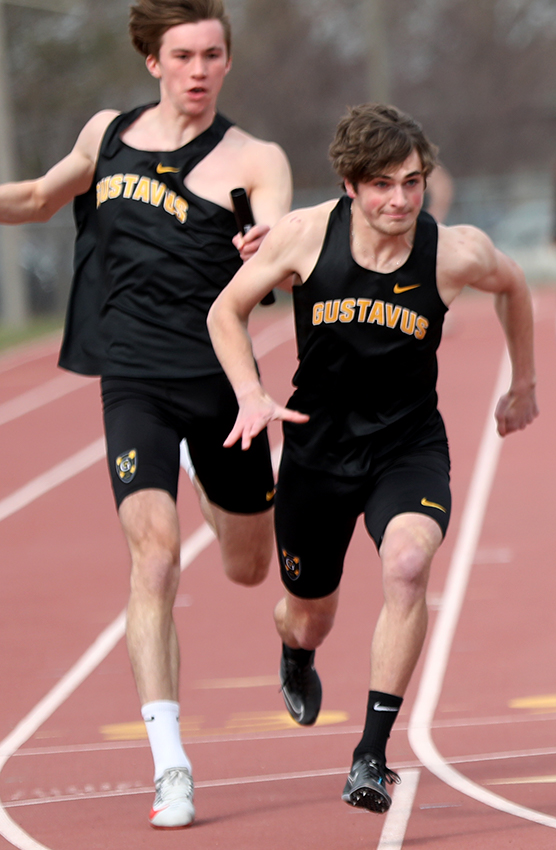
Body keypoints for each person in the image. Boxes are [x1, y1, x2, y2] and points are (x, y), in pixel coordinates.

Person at [0, 0, 290, 829]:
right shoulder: (107, 135)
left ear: (228, 61)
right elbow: (33, 197)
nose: (200, 69)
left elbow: (277, 234)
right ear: (152, 62)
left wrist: (262, 244)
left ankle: (210, 472)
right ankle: (170, 764)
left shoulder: (252, 156)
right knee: (155, 557)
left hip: (220, 379)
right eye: (184, 55)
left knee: (246, 564)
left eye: (213, 54)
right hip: (132, 378)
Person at [207, 103, 537, 813]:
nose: (399, 200)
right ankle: (295, 649)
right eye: (383, 184)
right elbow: (224, 311)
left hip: (407, 445)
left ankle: (370, 755)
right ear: (351, 186)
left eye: (413, 182)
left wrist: (524, 382)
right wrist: (249, 394)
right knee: (310, 615)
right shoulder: (301, 237)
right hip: (317, 450)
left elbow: (513, 286)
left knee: (409, 563)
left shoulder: (454, 251)